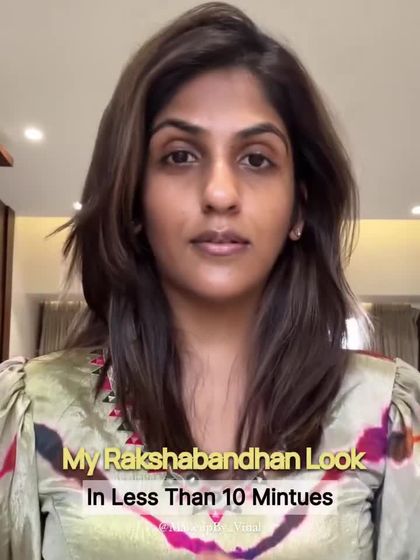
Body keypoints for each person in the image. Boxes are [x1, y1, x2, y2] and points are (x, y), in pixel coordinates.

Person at [1, 2, 419, 559]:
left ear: (299, 208)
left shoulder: (385, 412)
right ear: (133, 201)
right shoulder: (35, 410)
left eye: (256, 159)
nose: (220, 193)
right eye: (179, 155)